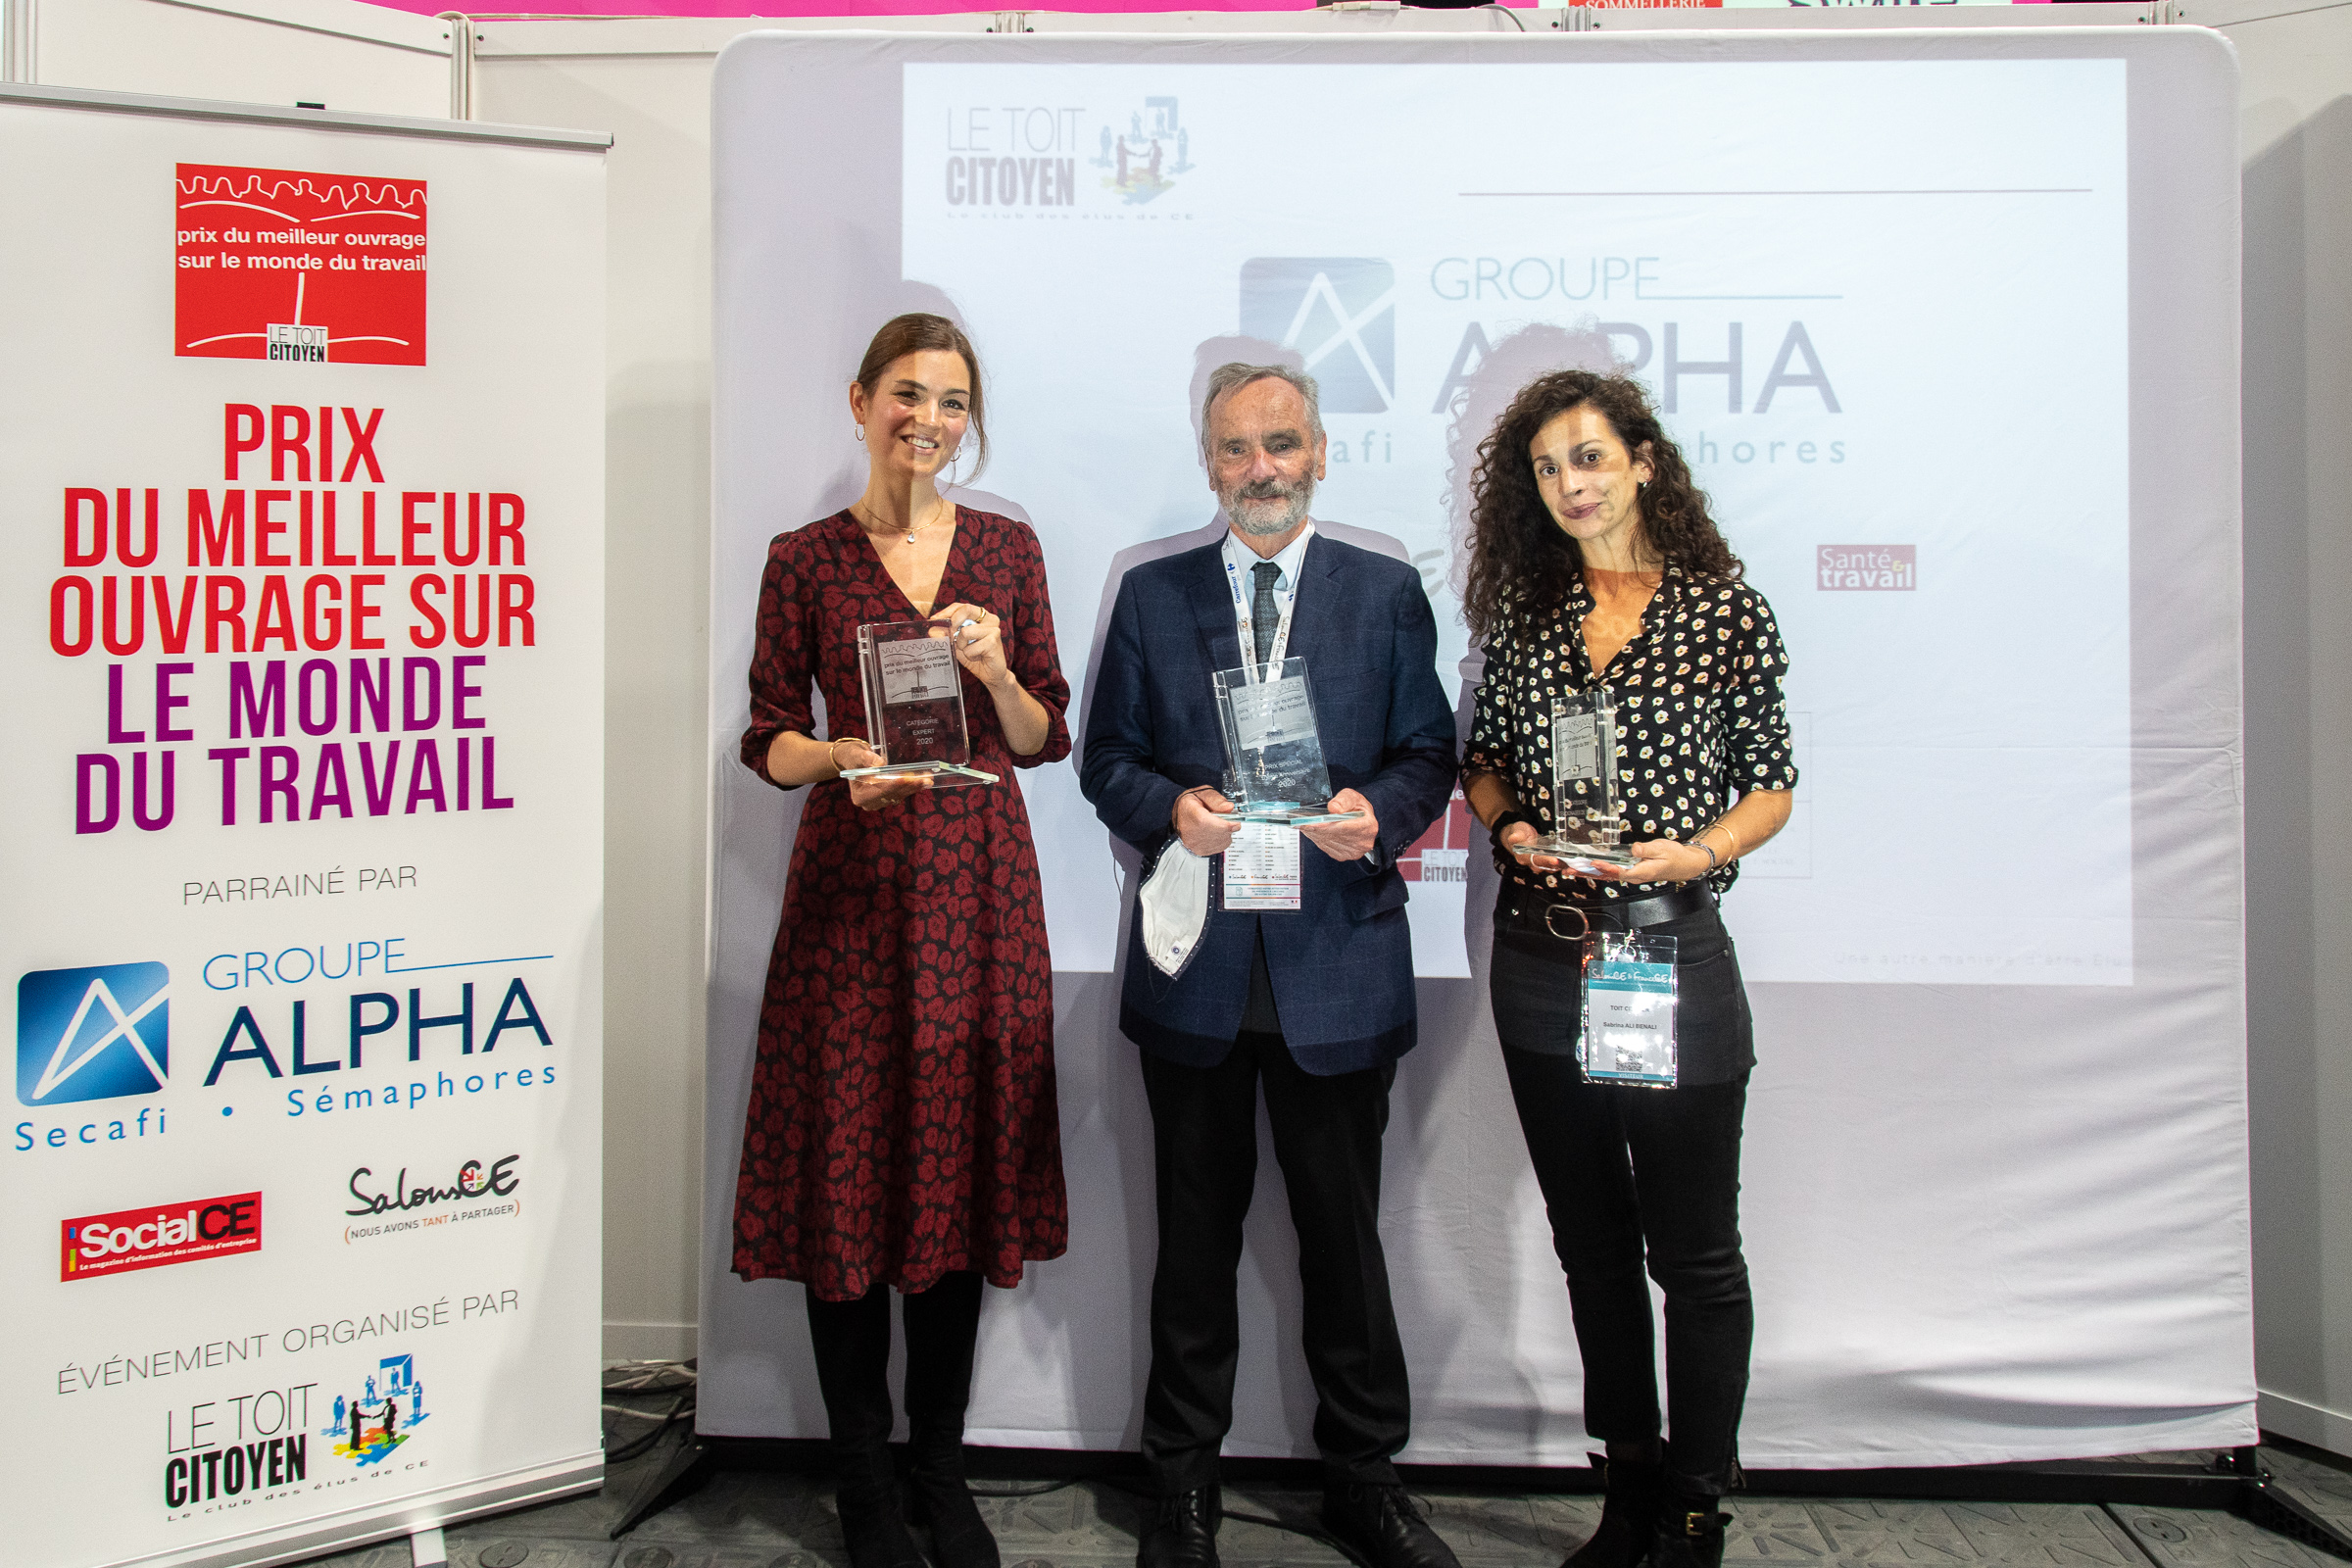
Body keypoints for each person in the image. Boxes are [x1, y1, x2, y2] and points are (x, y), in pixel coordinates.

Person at [1080, 364, 1461, 1568]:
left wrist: (1378, 809)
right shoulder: (1151, 595)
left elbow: (1428, 752)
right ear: (1209, 463)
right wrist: (1171, 808)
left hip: (1335, 962)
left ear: (1321, 453)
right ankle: (1181, 1486)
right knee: (1192, 1244)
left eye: (1281, 444)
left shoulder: (1386, 589)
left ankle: (1364, 1476)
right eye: (1237, 449)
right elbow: (1108, 759)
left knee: (1344, 1246)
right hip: (1198, 962)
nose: (1261, 469)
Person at [732, 313, 1072, 1568]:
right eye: (909, 395)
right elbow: (766, 737)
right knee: (847, 1187)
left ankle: (943, 1468)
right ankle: (865, 1482)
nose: (929, 420)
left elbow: (1044, 737)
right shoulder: (804, 559)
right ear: (861, 399)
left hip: (981, 902)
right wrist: (836, 759)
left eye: (953, 403)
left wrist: (993, 674)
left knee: (953, 1180)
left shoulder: (1006, 548)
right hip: (852, 906)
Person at [1457, 369, 1795, 1568]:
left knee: (1694, 1252)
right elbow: (1484, 760)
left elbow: (1772, 782)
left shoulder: (1722, 609)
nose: (1571, 485)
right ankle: (1632, 1485)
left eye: (1590, 458)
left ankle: (1699, 1505)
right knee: (1590, 1242)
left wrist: (1699, 847)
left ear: (1644, 462)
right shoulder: (1531, 615)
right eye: (1549, 468)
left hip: (1666, 950)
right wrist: (1507, 829)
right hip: (1544, 959)